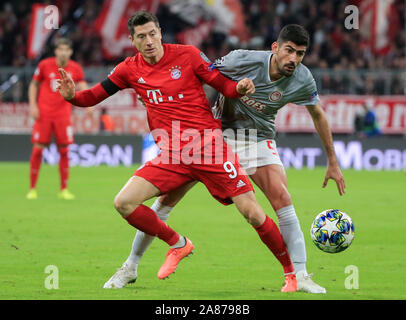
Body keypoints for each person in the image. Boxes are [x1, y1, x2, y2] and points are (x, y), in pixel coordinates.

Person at [57, 11, 298, 292]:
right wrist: (73, 96)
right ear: (131, 40)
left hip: (209, 149)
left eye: (152, 34)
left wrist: (240, 87)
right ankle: (178, 244)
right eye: (141, 37)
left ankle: (291, 274)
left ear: (160, 32)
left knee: (252, 213)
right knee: (124, 202)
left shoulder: (188, 55)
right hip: (172, 156)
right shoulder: (128, 69)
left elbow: (224, 86)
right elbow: (93, 96)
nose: (149, 41)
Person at [107, 24, 347, 294]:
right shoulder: (240, 59)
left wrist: (333, 162)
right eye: (289, 51)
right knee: (164, 202)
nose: (293, 58)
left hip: (257, 139)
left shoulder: (303, 80)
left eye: (300, 54)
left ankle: (299, 275)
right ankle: (130, 267)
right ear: (276, 48)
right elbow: (197, 74)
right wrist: (158, 96)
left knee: (281, 199)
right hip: (216, 135)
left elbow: (318, 115)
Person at [26, 38, 89, 200]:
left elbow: (82, 85)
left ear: (70, 52)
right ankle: (32, 189)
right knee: (38, 148)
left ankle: (64, 189)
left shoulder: (75, 68)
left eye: (66, 50)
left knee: (64, 151)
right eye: (60, 49)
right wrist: (33, 105)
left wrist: (89, 103)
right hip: (44, 113)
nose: (63, 52)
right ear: (56, 51)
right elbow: (34, 85)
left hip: (63, 114)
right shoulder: (44, 65)